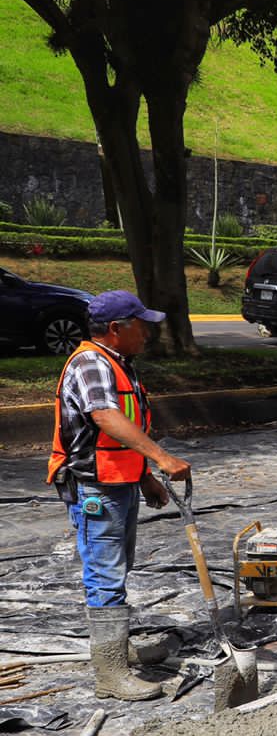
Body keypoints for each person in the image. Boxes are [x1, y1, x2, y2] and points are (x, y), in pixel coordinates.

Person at [45, 291, 191, 702]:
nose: (147, 332)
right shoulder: (92, 362)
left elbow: (119, 428)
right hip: (95, 488)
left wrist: (144, 476)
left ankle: (118, 650)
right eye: (140, 324)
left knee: (118, 567)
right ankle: (110, 673)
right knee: (105, 576)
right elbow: (106, 418)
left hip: (118, 483)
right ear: (116, 329)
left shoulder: (115, 363)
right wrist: (161, 457)